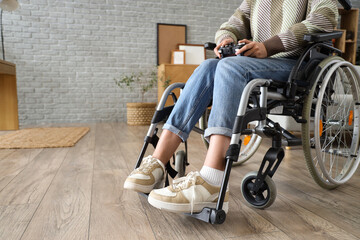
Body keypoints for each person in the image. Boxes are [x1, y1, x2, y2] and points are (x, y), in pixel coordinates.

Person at [124, 0, 339, 213]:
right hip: (255, 62)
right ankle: (157, 162)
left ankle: (212, 181)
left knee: (229, 68)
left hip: (295, 64)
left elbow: (324, 18)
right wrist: (226, 39)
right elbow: (233, 24)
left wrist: (268, 46)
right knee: (208, 66)